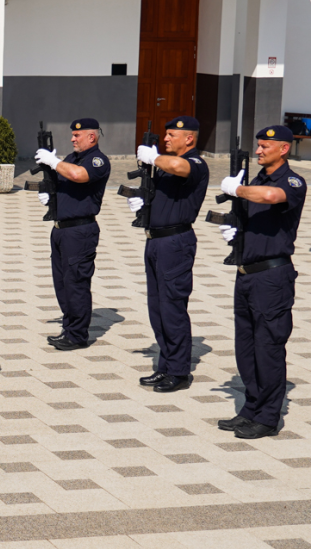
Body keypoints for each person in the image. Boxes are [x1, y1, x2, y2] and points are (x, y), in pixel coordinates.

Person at [217, 125, 307, 439]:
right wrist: (234, 231)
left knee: (268, 348)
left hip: (272, 278)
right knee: (246, 348)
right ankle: (251, 408)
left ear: (283, 149)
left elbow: (271, 197)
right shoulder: (256, 180)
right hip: (246, 275)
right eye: (257, 146)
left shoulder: (291, 181)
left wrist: (236, 190)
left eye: (265, 146)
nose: (258, 151)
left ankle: (268, 418)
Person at [125, 116, 209, 392]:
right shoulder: (162, 166)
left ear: (190, 139)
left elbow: (177, 166)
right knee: (157, 308)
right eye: (166, 134)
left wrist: (153, 157)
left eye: (173, 135)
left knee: (173, 307)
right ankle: (166, 366)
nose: (166, 139)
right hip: (155, 241)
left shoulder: (195, 164)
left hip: (176, 242)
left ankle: (179, 372)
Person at [34, 118, 111, 351]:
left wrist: (54, 161)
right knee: (63, 284)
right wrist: (49, 193)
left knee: (76, 283)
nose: (72, 139)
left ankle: (77, 335)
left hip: (80, 231)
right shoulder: (71, 159)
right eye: (72, 135)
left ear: (92, 136)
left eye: (77, 135)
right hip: (60, 230)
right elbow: (62, 180)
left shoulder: (97, 161)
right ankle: (69, 329)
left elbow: (78, 175)